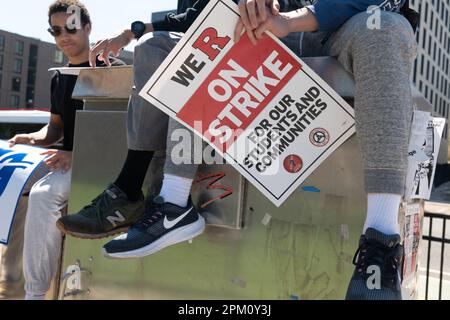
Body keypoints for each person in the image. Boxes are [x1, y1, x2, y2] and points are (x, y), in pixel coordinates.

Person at [233, 0, 417, 300]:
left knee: (383, 26)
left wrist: (291, 20)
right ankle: (174, 201)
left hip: (349, 26)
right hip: (278, 29)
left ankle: (381, 240)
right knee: (204, 36)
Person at [57, 0, 240, 259]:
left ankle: (174, 204)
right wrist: (130, 33)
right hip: (237, 35)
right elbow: (196, 16)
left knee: (195, 53)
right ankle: (129, 190)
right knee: (152, 46)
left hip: (288, 41)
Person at [2, 0, 123, 300]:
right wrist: (29, 139)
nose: (64, 36)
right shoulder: (59, 76)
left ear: (87, 28)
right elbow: (55, 130)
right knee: (11, 180)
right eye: (56, 30)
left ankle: (35, 293)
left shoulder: (111, 70)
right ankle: (10, 282)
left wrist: (76, 154)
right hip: (66, 161)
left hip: (98, 163)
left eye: (70, 28)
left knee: (43, 193)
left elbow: (121, 134)